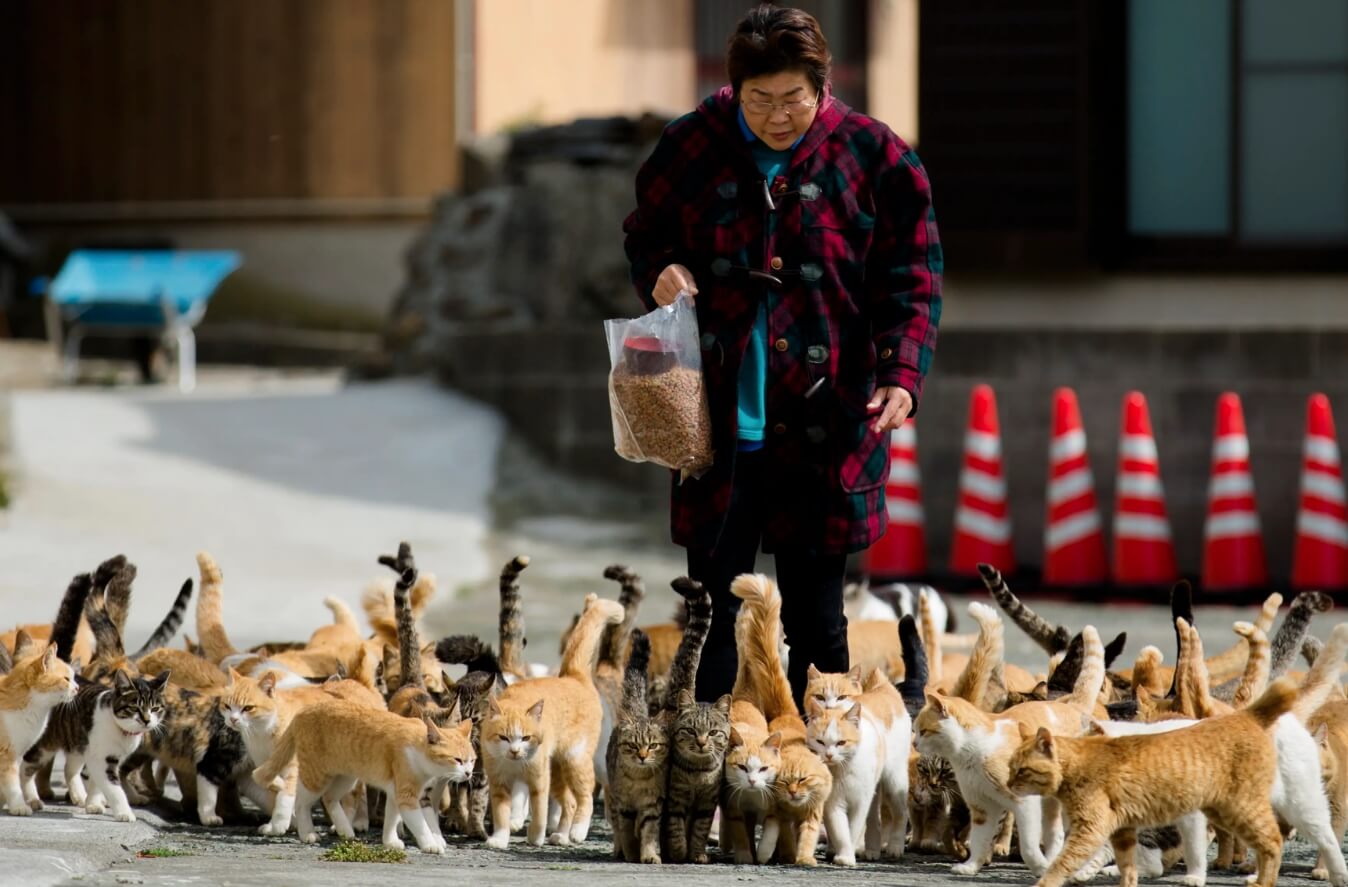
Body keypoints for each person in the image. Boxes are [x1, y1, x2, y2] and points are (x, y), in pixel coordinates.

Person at [622, 4, 942, 708]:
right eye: (758, 99)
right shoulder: (691, 146)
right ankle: (708, 783)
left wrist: (901, 378)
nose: (776, 115)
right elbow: (645, 235)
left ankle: (817, 787)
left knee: (819, 626)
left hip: (827, 423)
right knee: (709, 620)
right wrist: (660, 271)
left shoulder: (876, 156)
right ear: (735, 90)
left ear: (823, 85)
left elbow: (913, 281)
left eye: (792, 97)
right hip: (714, 427)